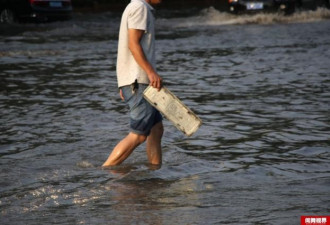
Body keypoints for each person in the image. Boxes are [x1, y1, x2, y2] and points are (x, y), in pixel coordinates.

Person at [102, 0, 163, 167]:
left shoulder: (137, 7)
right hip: (139, 80)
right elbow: (133, 44)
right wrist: (150, 73)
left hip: (136, 81)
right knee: (139, 135)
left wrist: (123, 82)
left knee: (156, 129)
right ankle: (105, 171)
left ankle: (155, 171)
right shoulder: (140, 8)